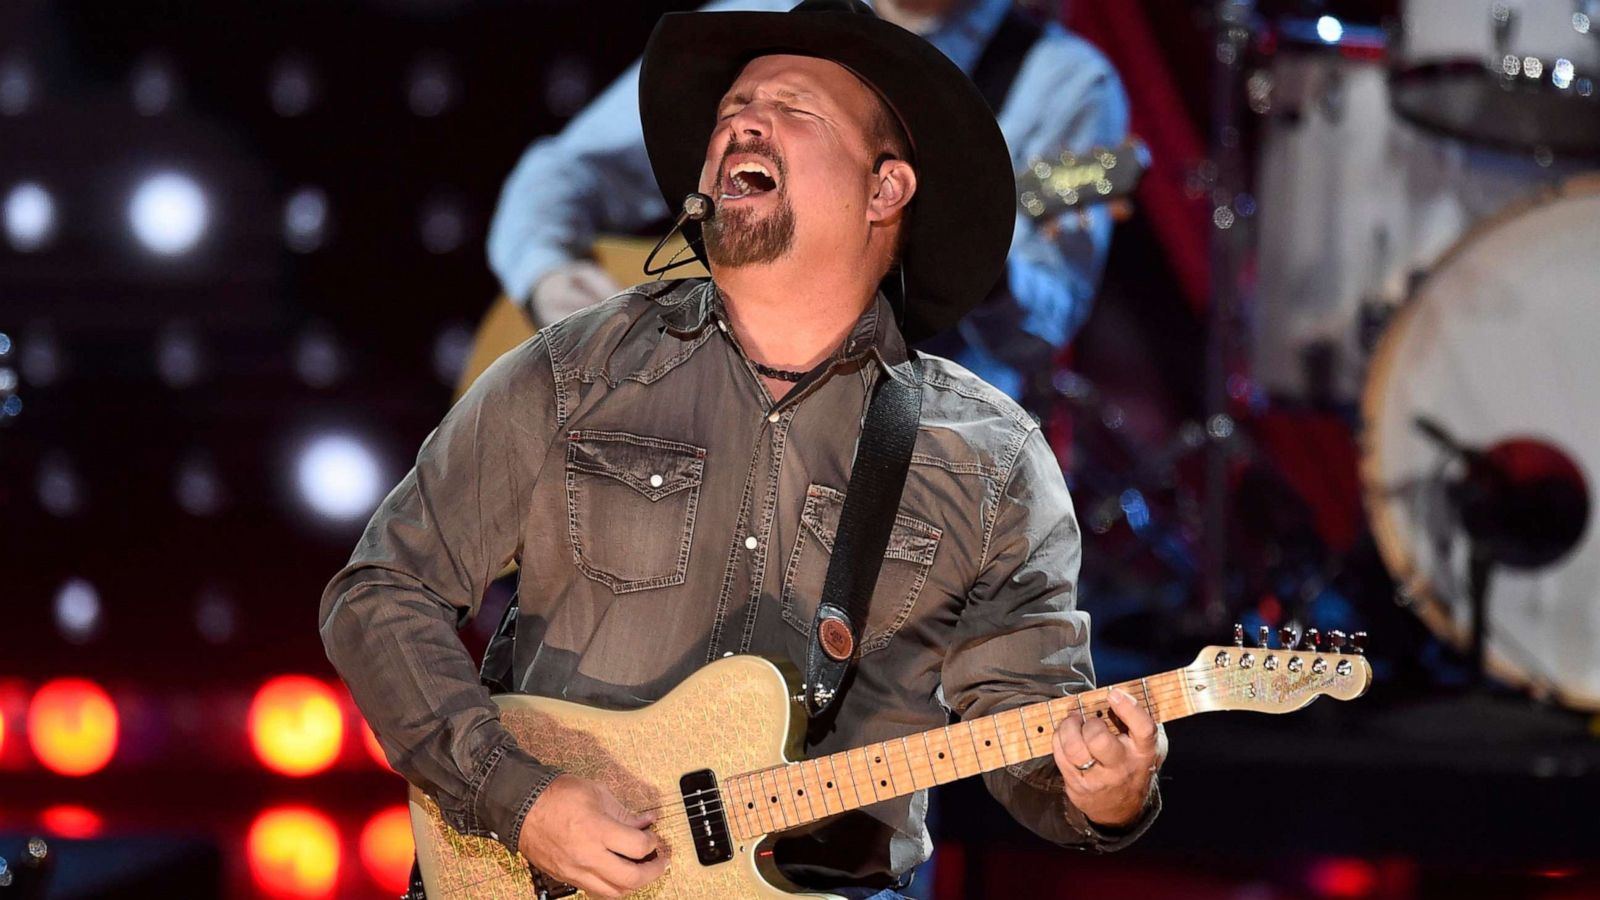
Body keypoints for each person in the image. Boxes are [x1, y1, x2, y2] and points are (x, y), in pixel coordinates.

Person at [320, 2, 1162, 897]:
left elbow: (1032, 739)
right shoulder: (575, 370)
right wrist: (519, 796)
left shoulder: (991, 457)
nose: (743, 123)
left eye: (794, 110)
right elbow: (381, 593)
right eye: (731, 112)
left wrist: (1107, 789)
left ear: (887, 191)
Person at [488, 0, 1129, 402]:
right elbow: (556, 174)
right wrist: (558, 288)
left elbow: (1044, 323)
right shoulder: (756, 23)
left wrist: (982, 258)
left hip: (912, 459)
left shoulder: (1065, 81)